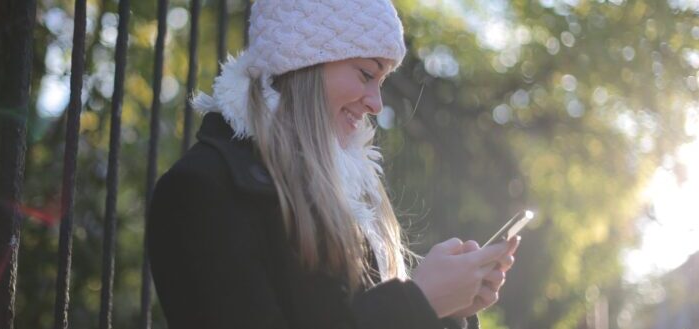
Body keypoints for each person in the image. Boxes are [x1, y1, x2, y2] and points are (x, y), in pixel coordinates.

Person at [147, 0, 520, 328]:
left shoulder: (348, 192)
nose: (376, 103)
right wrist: (418, 302)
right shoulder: (201, 189)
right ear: (304, 61)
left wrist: (444, 312)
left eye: (383, 80)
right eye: (365, 74)